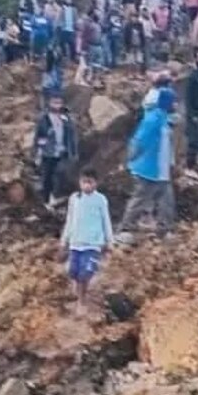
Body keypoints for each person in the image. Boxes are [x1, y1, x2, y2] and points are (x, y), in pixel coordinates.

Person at [60, 169, 113, 315]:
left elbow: (106, 220)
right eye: (84, 182)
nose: (87, 185)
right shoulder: (74, 199)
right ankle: (79, 296)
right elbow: (70, 220)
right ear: (79, 182)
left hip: (93, 244)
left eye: (90, 182)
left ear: (96, 183)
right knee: (74, 272)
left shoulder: (100, 200)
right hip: (76, 242)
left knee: (86, 272)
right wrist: (64, 240)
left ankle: (82, 301)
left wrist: (109, 242)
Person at [122, 90, 176, 235]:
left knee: (166, 201)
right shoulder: (152, 119)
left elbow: (167, 144)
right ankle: (126, 228)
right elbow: (139, 141)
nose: (175, 105)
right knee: (139, 199)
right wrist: (131, 157)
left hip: (162, 170)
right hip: (148, 169)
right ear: (167, 103)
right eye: (173, 102)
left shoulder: (165, 119)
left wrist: (171, 162)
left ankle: (165, 228)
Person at [34, 93, 78, 207]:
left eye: (59, 103)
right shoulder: (44, 118)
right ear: (49, 103)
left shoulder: (66, 118)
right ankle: (46, 199)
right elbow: (39, 136)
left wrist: (73, 151)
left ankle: (55, 196)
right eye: (54, 102)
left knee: (59, 174)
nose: (57, 105)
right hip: (48, 152)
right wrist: (38, 151)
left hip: (62, 151)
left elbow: (71, 136)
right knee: (47, 176)